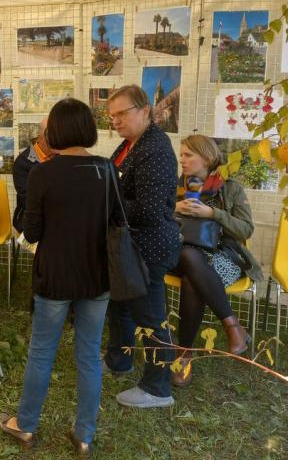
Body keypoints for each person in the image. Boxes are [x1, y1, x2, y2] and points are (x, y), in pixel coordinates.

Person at [0, 98, 120, 457]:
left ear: (55, 131)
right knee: (88, 355)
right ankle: (84, 435)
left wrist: (25, 212)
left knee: (41, 353)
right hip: (97, 277)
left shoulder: (43, 173)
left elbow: (31, 232)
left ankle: (26, 425)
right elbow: (116, 222)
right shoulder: (106, 170)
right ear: (87, 128)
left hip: (54, 277)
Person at [102, 85, 180, 408]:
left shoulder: (155, 149)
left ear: (145, 110)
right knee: (121, 305)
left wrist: (105, 205)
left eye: (123, 113)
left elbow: (147, 209)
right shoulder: (130, 145)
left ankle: (157, 388)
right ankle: (119, 360)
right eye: (112, 116)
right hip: (130, 246)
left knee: (150, 316)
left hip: (149, 248)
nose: (116, 121)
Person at [170, 134, 255, 387]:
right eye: (181, 154)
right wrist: (174, 208)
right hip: (179, 252)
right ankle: (233, 326)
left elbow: (246, 230)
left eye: (188, 155)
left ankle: (184, 355)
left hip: (222, 256)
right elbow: (157, 217)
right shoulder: (176, 185)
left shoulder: (230, 188)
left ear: (206, 158)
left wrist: (214, 213)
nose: (182, 160)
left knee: (192, 276)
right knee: (189, 257)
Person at [11, 118, 52, 233]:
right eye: (51, 138)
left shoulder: (61, 155)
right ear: (40, 138)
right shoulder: (22, 163)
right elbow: (28, 200)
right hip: (33, 218)